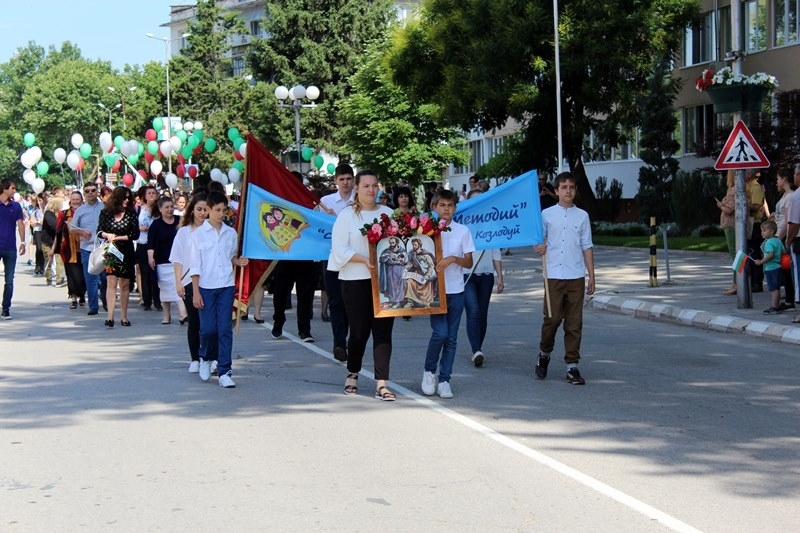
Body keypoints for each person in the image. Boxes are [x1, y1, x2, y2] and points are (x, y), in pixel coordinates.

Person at [329, 169, 397, 401]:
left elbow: (399, 245)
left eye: (374, 185)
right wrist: (366, 260)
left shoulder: (389, 214)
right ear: (357, 188)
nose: (371, 190)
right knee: (359, 331)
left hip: (386, 282)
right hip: (355, 280)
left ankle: (382, 383)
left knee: (383, 331)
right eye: (366, 186)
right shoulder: (347, 216)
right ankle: (353, 372)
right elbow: (339, 249)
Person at [534, 171, 595, 386]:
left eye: (571, 187)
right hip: (553, 275)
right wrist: (538, 246)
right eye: (563, 187)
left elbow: (587, 246)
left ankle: (572, 366)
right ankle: (544, 353)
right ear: (557, 191)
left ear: (575, 191)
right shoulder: (546, 214)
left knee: (574, 323)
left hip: (575, 275)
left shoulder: (582, 216)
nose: (568, 190)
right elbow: (538, 240)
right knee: (551, 320)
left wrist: (591, 275)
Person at [190, 190, 248, 388]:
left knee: (224, 328)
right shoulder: (198, 235)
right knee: (207, 329)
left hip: (226, 285)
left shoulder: (230, 233)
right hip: (206, 286)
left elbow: (230, 257)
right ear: (208, 210)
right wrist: (196, 292)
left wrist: (238, 261)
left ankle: (225, 370)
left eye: (224, 210)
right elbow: (195, 266)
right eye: (217, 210)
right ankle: (205, 357)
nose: (221, 214)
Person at [421, 189, 475, 399]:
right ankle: (428, 371)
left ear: (455, 208)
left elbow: (469, 261)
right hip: (435, 291)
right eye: (442, 205)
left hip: (456, 290)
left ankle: (445, 379)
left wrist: (454, 258)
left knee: (451, 338)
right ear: (434, 207)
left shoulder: (463, 231)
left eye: (450, 205)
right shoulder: (427, 230)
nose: (446, 209)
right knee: (440, 333)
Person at [462, 188, 504, 368]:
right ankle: (476, 350)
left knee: (483, 313)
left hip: (486, 274)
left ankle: (478, 348)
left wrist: (500, 276)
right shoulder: (463, 226)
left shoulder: (491, 224)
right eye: (474, 201)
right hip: (467, 274)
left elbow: (496, 253)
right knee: (473, 310)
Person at [169, 192, 208, 374]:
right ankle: (195, 358)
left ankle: (208, 356)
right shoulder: (184, 232)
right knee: (195, 321)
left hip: (210, 281)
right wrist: (178, 282)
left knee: (208, 323)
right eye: (199, 209)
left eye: (205, 210)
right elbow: (177, 259)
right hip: (188, 281)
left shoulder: (213, 230)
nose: (202, 213)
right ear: (192, 210)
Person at [321, 164, 356, 361]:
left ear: (353, 180)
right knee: (336, 302)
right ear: (335, 181)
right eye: (341, 179)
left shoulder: (359, 202)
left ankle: (351, 341)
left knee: (352, 303)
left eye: (348, 179)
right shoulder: (325, 202)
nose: (345, 183)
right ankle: (339, 343)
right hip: (331, 258)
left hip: (354, 260)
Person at [97, 187, 139, 327]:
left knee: (125, 284)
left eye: (129, 198)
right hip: (111, 250)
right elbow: (99, 231)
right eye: (124, 197)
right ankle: (110, 316)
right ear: (117, 198)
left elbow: (135, 234)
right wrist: (107, 235)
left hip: (126, 250)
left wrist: (119, 237)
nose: (127, 200)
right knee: (111, 282)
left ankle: (124, 316)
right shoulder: (105, 213)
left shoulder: (131, 213)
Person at [147, 196, 185, 325]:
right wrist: (151, 258)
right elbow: (150, 244)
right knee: (165, 289)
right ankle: (166, 315)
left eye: (171, 207)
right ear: (160, 209)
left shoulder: (180, 221)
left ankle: (183, 314)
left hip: (179, 261)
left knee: (178, 287)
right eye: (166, 207)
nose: (170, 210)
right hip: (162, 261)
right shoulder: (156, 225)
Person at [73, 183, 107, 316]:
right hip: (87, 248)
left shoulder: (104, 207)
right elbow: (72, 228)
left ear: (97, 191)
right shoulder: (80, 210)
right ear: (84, 194)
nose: (90, 193)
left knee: (105, 278)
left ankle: (105, 298)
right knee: (91, 278)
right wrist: (81, 233)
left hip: (103, 247)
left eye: (93, 190)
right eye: (87, 191)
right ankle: (93, 306)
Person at [55, 190, 86, 309]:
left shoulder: (85, 213)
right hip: (68, 249)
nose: (75, 202)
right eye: (73, 199)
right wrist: (54, 248)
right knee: (71, 275)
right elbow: (58, 233)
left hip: (83, 248)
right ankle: (73, 298)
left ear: (82, 200)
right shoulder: (63, 214)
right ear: (70, 201)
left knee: (82, 275)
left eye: (77, 199)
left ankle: (82, 294)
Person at [0, 179, 26, 319]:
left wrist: (23, 241)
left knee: (9, 281)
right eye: (13, 188)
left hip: (10, 246)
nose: (14, 191)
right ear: (5, 189)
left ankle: (6, 308)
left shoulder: (15, 206)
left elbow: (20, 224)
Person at [135, 185, 161, 311]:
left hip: (156, 244)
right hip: (142, 243)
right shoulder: (139, 210)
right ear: (144, 196)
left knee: (155, 273)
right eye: (149, 193)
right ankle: (146, 300)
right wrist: (140, 228)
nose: (151, 195)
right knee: (144, 273)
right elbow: (133, 225)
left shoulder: (159, 209)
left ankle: (158, 300)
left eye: (153, 193)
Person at [773, 167, 795, 310]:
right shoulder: (785, 196)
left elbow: (787, 220)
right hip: (778, 235)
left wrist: (778, 240)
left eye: (777, 179)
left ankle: (789, 300)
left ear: (784, 179)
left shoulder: (790, 197)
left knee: (787, 269)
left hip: (783, 236)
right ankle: (788, 298)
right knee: (784, 269)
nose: (776, 182)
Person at [755, 220, 784, 315]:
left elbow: (770, 254)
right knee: (777, 288)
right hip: (779, 267)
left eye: (764, 230)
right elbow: (784, 252)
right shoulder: (778, 240)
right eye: (761, 231)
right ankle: (777, 305)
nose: (762, 232)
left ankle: (775, 307)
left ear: (771, 231)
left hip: (771, 268)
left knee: (773, 288)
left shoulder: (768, 242)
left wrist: (761, 261)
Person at [716, 170, 737, 296]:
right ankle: (737, 282)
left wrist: (720, 205)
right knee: (734, 253)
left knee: (734, 253)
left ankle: (736, 283)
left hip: (731, 224)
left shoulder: (733, 190)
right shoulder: (733, 189)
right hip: (730, 224)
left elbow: (730, 209)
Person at [747, 170, 766, 293]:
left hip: (756, 223)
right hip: (750, 223)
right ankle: (752, 280)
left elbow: (756, 206)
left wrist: (743, 204)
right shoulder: (748, 186)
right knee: (750, 253)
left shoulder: (756, 187)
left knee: (755, 254)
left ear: (749, 174)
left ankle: (757, 283)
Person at [404, 237, 437, 307]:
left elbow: (431, 266)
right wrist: (406, 269)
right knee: (409, 282)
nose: (413, 246)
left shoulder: (426, 255)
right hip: (416, 273)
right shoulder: (412, 254)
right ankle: (410, 302)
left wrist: (427, 275)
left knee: (427, 283)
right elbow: (410, 264)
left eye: (415, 245)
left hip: (425, 274)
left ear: (419, 245)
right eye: (413, 245)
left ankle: (426, 302)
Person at [41, 196, 66, 287]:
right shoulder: (48, 214)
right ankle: (48, 277)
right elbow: (54, 226)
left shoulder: (60, 214)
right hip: (48, 241)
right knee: (49, 260)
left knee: (60, 260)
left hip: (58, 241)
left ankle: (59, 279)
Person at [378, 237, 407, 307]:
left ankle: (398, 302)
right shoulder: (387, 251)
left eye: (393, 242)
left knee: (399, 286)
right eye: (390, 243)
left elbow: (404, 261)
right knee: (391, 286)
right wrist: (386, 258)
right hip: (390, 271)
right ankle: (393, 301)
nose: (391, 244)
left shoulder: (402, 250)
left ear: (396, 243)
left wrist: (395, 261)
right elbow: (382, 259)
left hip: (399, 270)